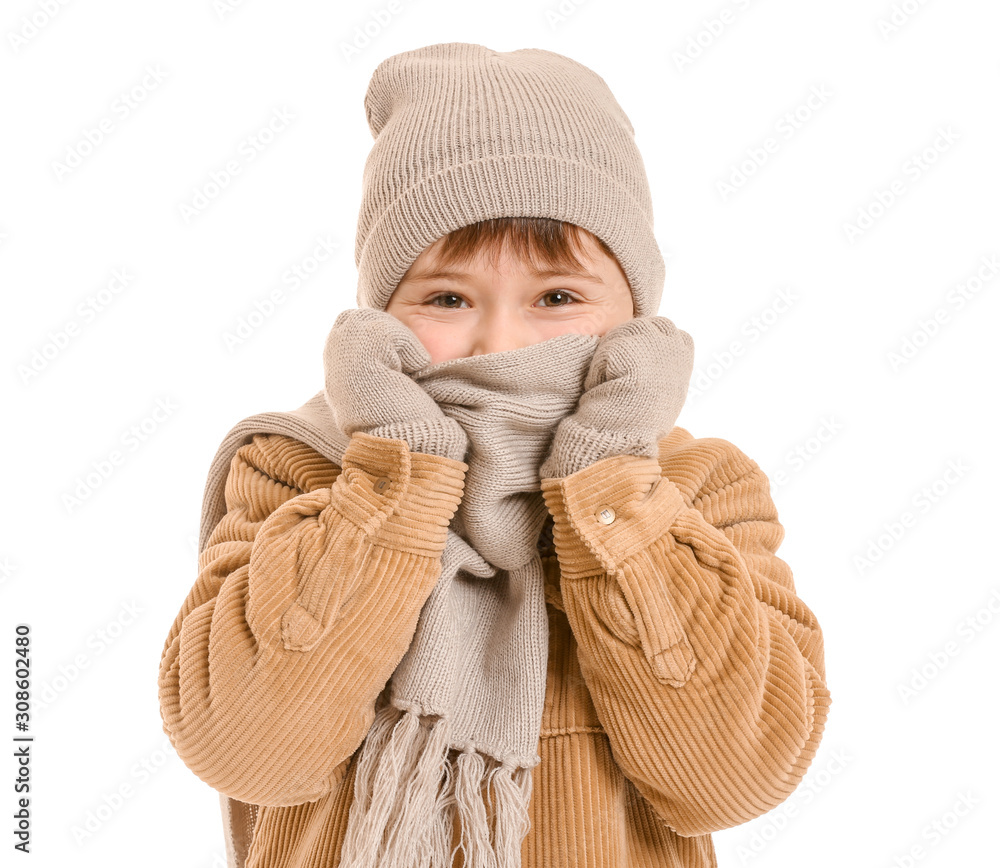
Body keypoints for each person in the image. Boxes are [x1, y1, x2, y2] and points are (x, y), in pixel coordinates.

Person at [157, 42, 830, 868]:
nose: (500, 340)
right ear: (383, 314)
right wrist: (397, 480)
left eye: (557, 297)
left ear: (632, 312)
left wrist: (607, 484)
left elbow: (735, 777)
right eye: (447, 297)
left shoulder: (698, 490)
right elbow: (247, 750)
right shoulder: (298, 467)